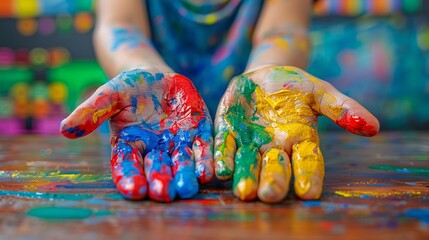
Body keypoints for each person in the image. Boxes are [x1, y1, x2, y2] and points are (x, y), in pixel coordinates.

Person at [60, 0, 379, 203]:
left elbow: (284, 29)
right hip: (152, 134)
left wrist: (267, 73)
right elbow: (119, 25)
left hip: (254, 132)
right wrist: (142, 70)